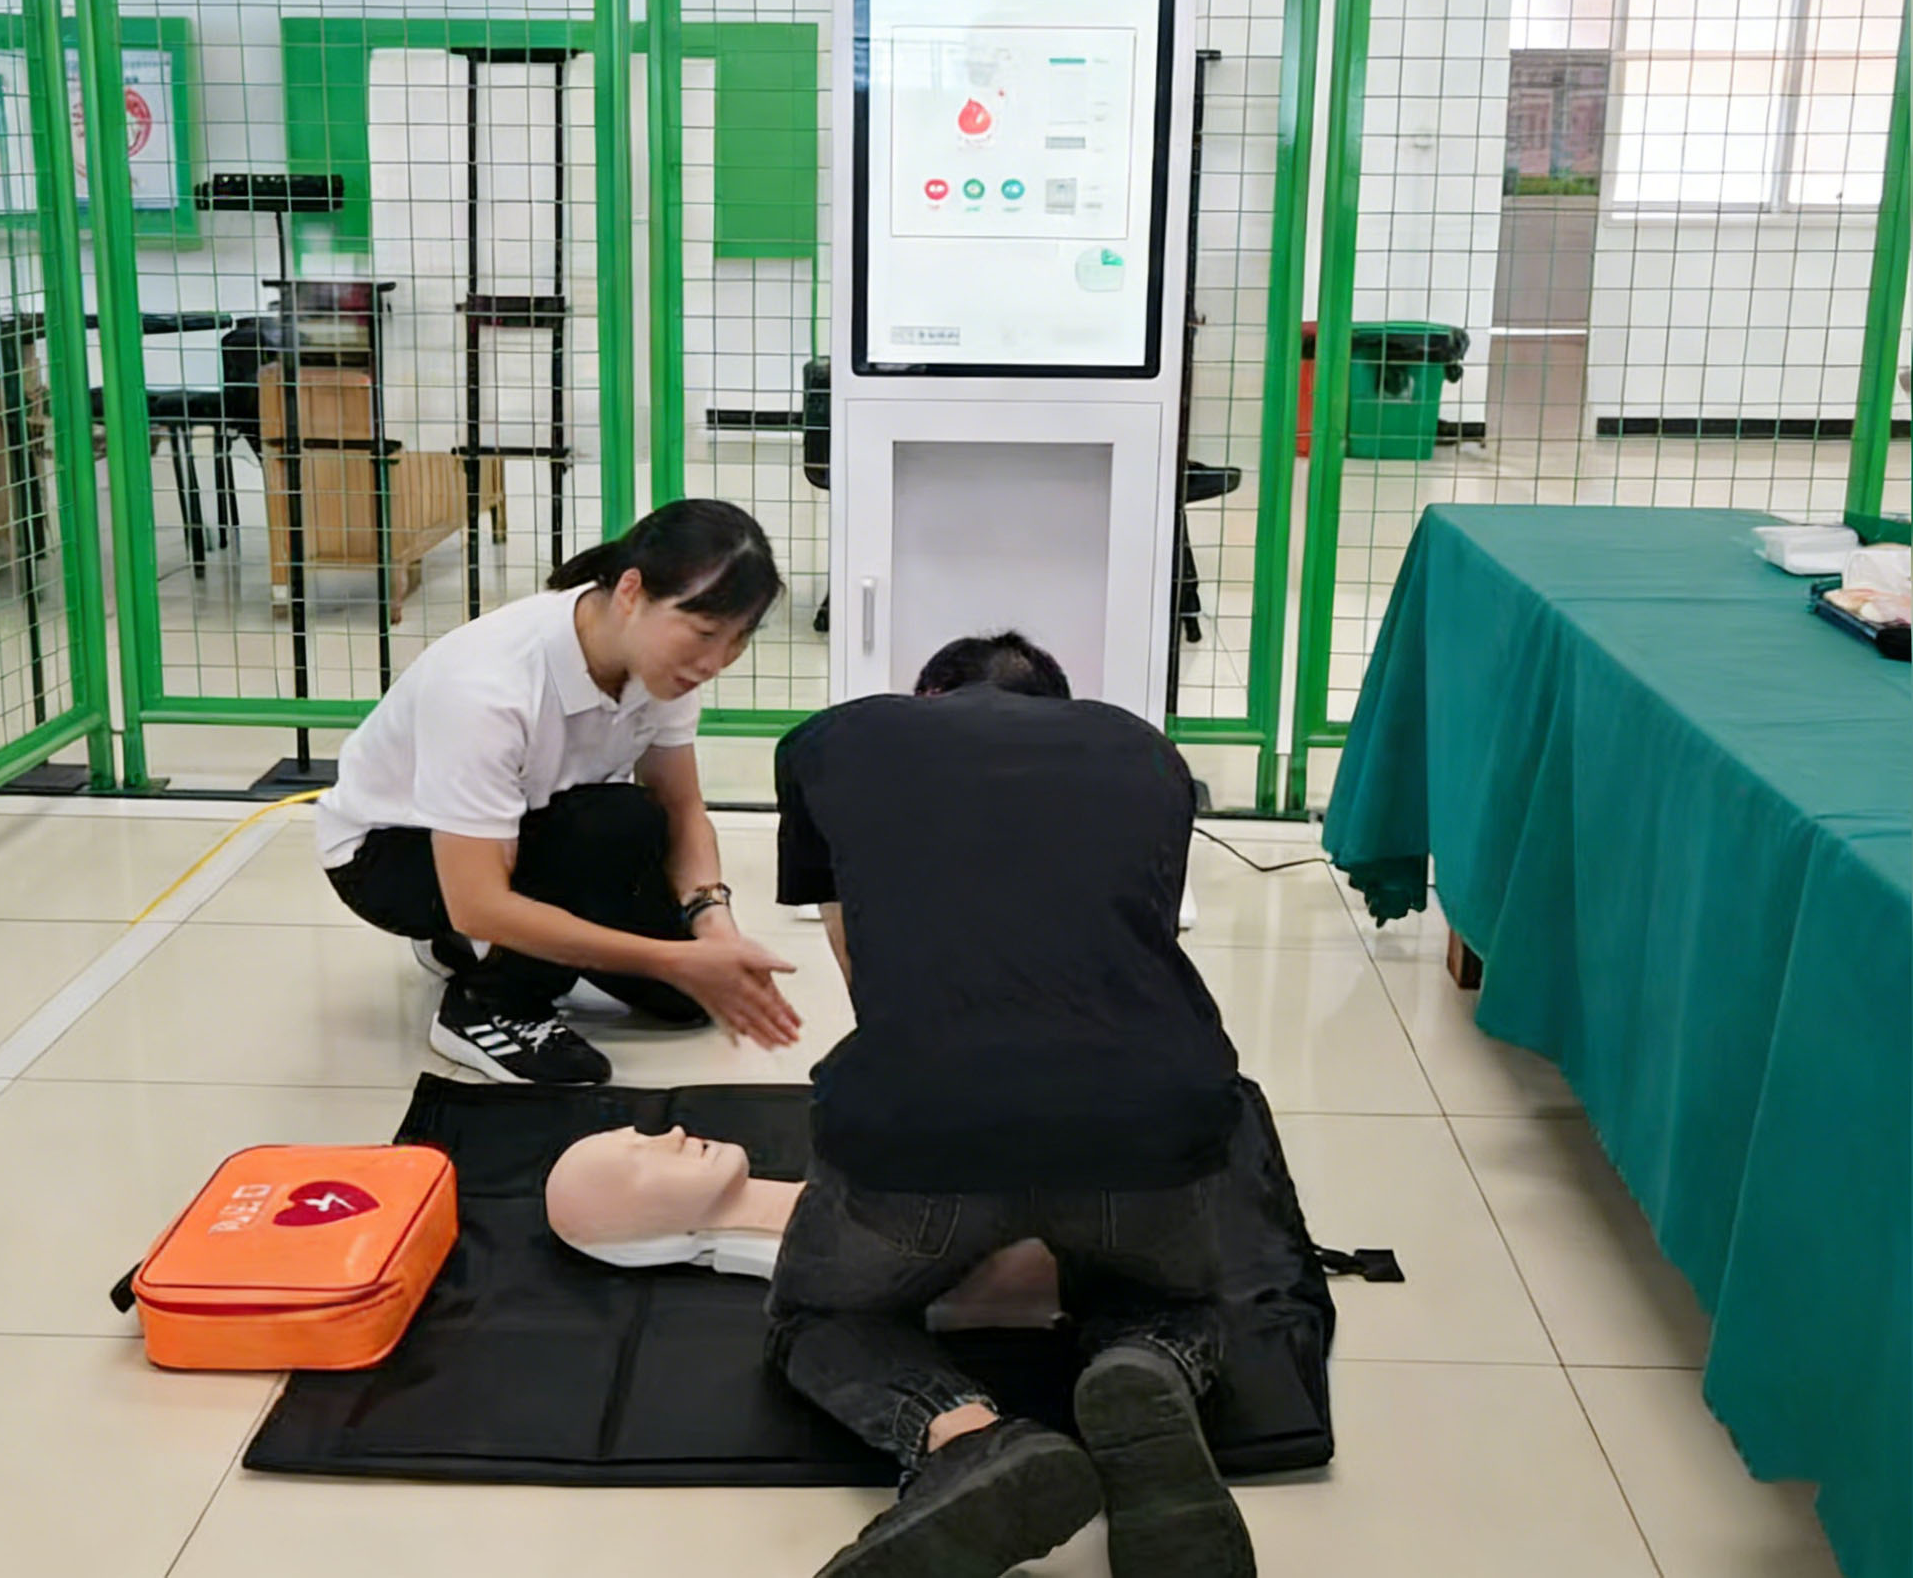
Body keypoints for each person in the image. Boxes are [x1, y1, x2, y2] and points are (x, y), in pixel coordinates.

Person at [766, 634, 1254, 1578]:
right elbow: (1131, 940)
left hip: (928, 1126)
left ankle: (965, 1439)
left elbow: (862, 965)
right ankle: (1148, 1363)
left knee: (817, 1320)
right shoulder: (1144, 750)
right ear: (1059, 706)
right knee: (1175, 1300)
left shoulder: (833, 739)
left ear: (928, 694)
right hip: (1148, 1120)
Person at [318, 500, 802, 1086]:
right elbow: (479, 904)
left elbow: (681, 807)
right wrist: (673, 958)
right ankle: (486, 1005)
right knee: (618, 825)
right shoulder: (487, 685)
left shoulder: (662, 665)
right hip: (395, 855)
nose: (715, 661)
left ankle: (460, 949)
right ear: (631, 592)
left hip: (538, 824)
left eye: (737, 639)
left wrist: (713, 927)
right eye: (703, 633)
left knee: (685, 1001)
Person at [545, 1123, 1062, 1329]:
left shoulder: (845, 1167)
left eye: (646, 1135)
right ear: (636, 1230)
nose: (674, 1134)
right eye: (638, 1162)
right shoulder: (848, 1267)